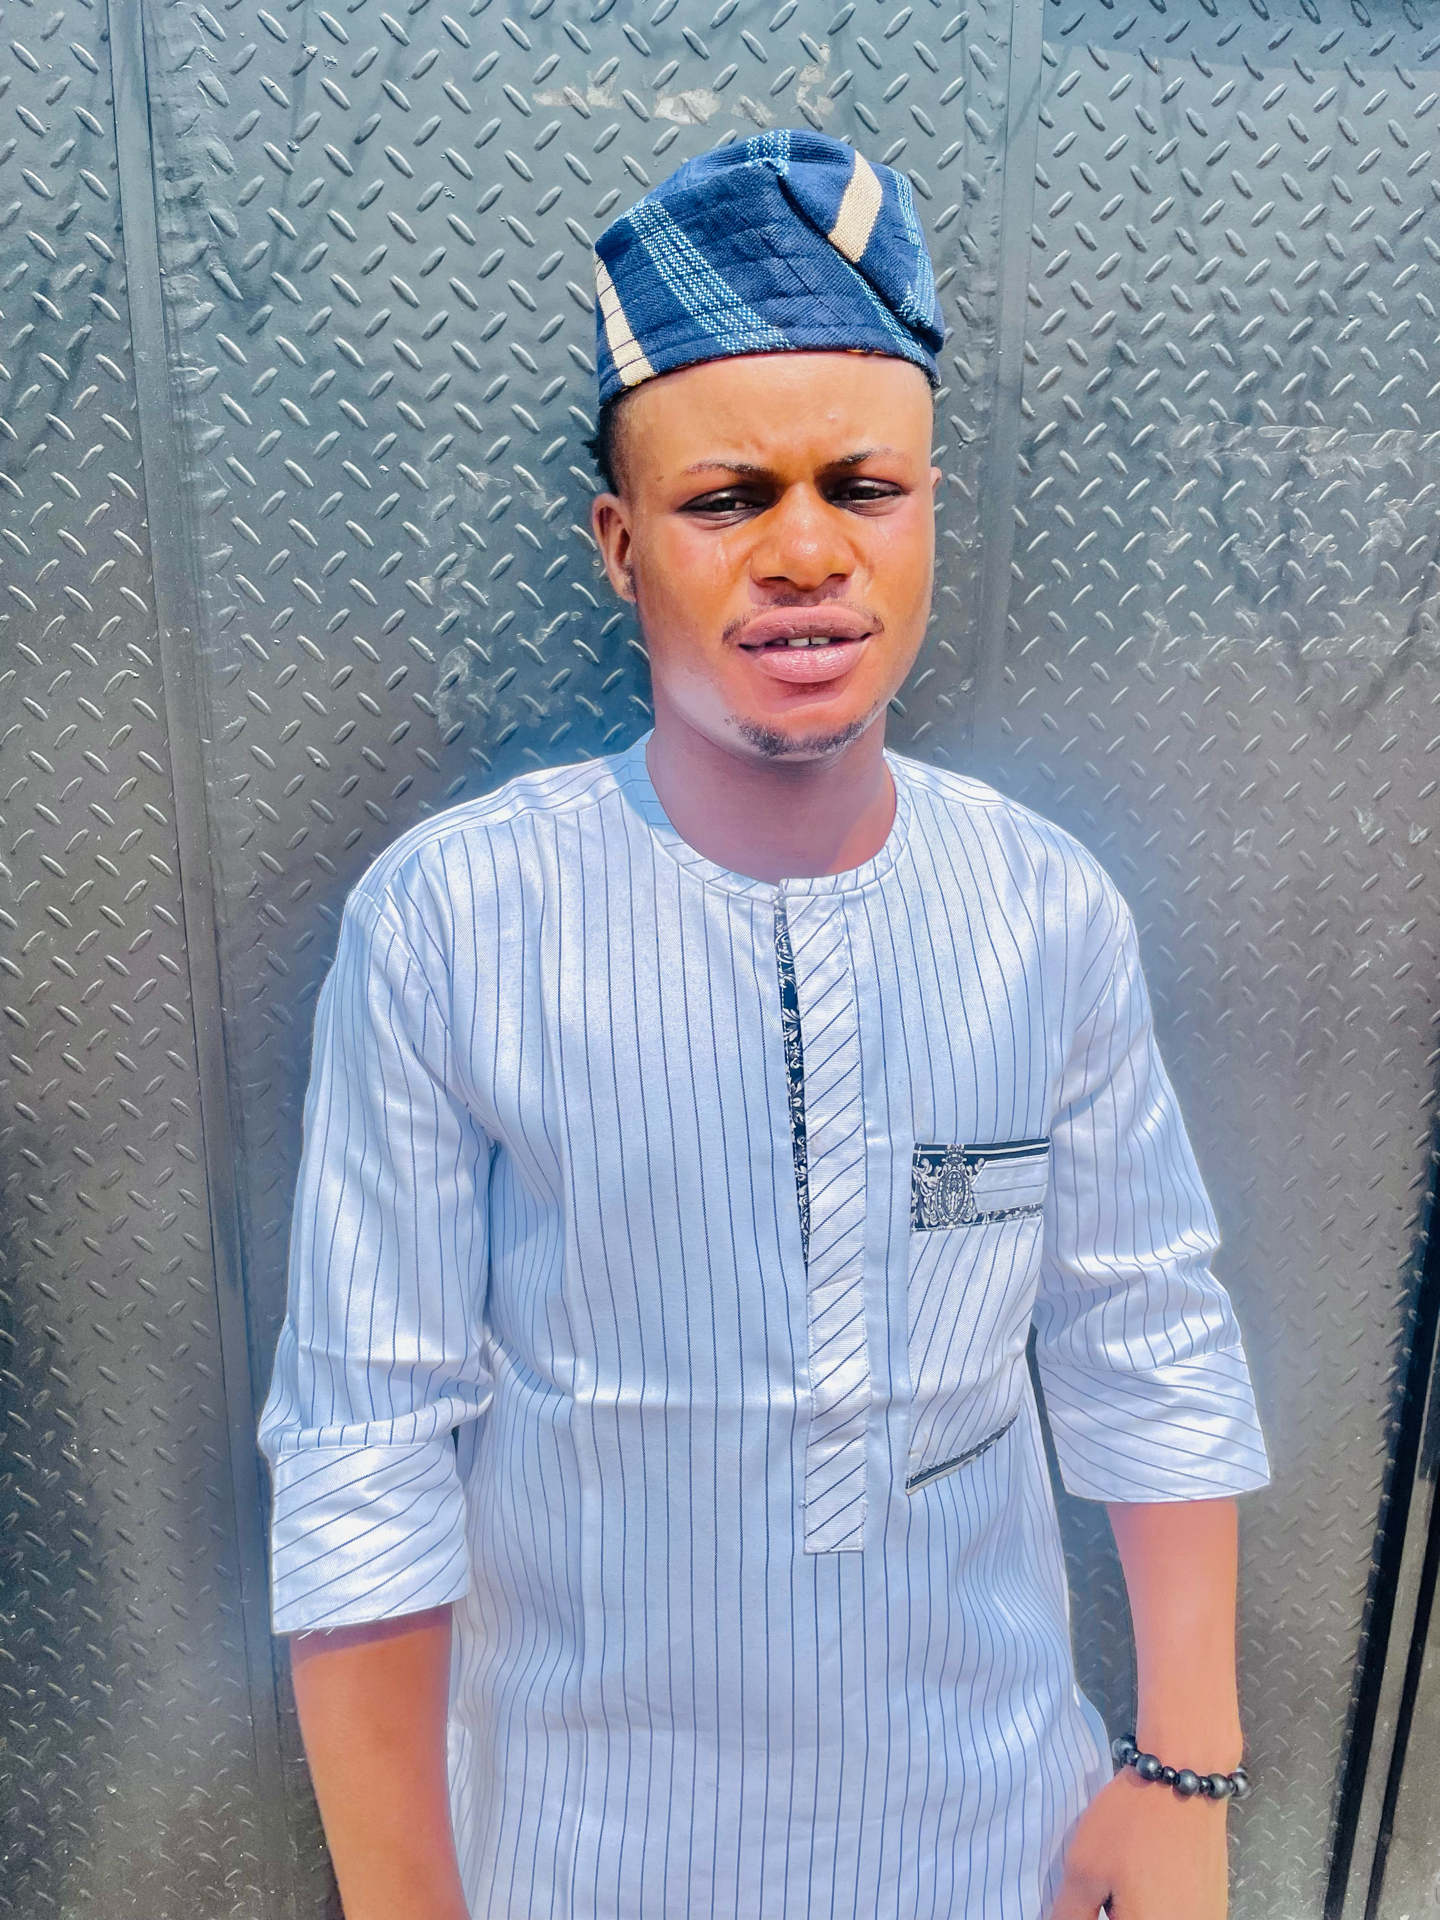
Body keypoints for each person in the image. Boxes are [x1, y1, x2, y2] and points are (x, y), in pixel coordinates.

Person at [259, 130, 1270, 1920]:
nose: (806, 551)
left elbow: (1149, 1337)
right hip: (575, 1849)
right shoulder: (452, 924)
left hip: (992, 1833)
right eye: (728, 498)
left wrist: (1184, 1775)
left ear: (929, 511)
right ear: (619, 543)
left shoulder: (1046, 910)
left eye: (862, 487)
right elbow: (364, 1447)